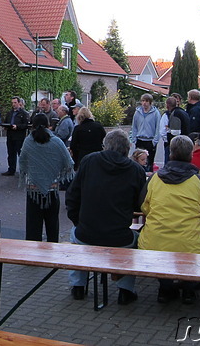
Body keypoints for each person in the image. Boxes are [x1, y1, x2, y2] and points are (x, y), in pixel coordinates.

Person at [138, 135, 200, 304]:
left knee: (159, 247)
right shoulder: (198, 179)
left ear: (171, 153)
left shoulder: (155, 178)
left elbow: (143, 206)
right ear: (191, 154)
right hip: (190, 242)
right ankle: (189, 288)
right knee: (196, 247)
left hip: (154, 241)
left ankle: (166, 287)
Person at [66, 129, 144, 304]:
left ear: (105, 146)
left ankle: (78, 285)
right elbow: (141, 204)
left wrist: (78, 221)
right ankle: (125, 290)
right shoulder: (136, 170)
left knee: (76, 237)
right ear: (127, 149)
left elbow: (72, 196)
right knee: (136, 241)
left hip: (87, 232)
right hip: (119, 237)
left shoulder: (88, 161)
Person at [18, 113, 73, 243]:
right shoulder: (57, 141)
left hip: (33, 191)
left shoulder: (28, 141)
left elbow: (22, 162)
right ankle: (52, 255)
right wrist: (57, 172)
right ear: (49, 125)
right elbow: (68, 162)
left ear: (33, 126)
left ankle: (33, 258)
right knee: (52, 225)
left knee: (33, 227)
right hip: (52, 190)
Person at [129, 94, 160, 169]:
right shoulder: (137, 112)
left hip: (150, 140)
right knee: (137, 163)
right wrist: (133, 139)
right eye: (143, 101)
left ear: (150, 102)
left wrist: (154, 142)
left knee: (149, 163)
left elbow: (158, 128)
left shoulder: (155, 113)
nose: (144, 103)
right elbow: (134, 127)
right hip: (139, 140)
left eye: (146, 101)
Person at [3, 96, 30, 176]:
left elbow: (26, 125)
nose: (13, 104)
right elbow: (6, 121)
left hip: (19, 136)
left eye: (15, 102)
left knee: (21, 154)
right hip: (10, 135)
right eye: (12, 103)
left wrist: (17, 127)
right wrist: (5, 126)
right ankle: (11, 170)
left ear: (19, 103)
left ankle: (23, 170)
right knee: (11, 154)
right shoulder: (9, 113)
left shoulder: (24, 113)